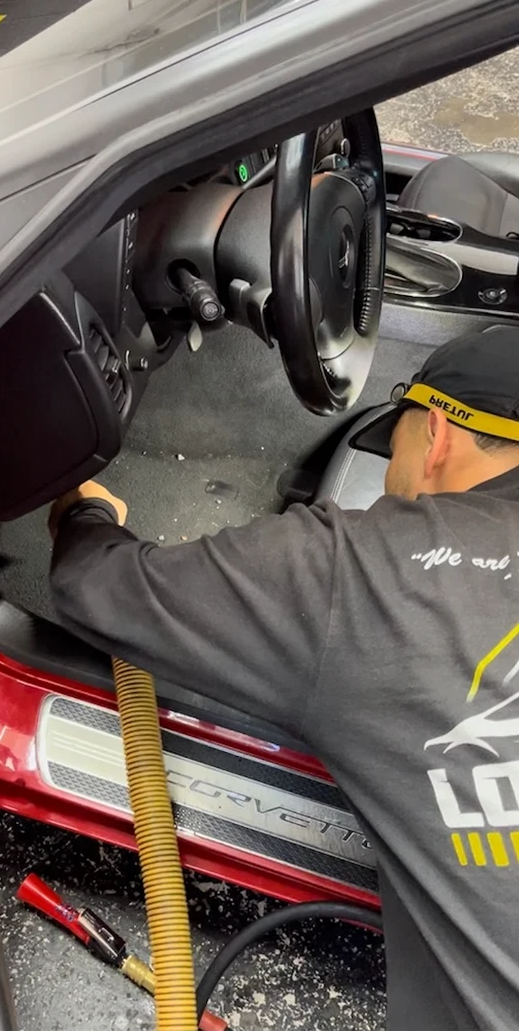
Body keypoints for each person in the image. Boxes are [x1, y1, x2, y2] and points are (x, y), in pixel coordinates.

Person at [49, 325, 519, 1031]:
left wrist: (85, 512)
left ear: (439, 432)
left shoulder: (368, 572)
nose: (394, 469)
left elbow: (98, 588)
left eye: (396, 444)